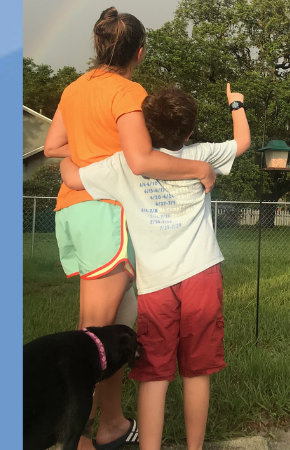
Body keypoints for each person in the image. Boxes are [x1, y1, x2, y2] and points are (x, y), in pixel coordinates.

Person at [42, 8, 218, 450]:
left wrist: (76, 161)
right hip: (106, 212)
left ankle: (114, 422)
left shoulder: (73, 88)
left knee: (115, 325)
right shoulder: (127, 92)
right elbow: (141, 160)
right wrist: (198, 165)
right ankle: (77, 433)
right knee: (95, 333)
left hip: (74, 211)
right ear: (138, 52)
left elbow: (52, 147)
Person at [59, 83, 251, 450]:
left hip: (155, 285)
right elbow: (241, 141)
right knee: (197, 371)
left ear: (145, 125)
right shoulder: (203, 155)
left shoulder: (122, 164)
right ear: (190, 131)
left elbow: (71, 178)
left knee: (154, 375)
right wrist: (235, 103)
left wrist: (69, 154)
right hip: (202, 275)